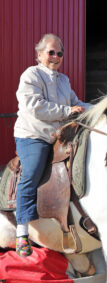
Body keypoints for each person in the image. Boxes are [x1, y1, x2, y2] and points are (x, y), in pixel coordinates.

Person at [14, 33, 91, 257]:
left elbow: (76, 104)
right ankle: (21, 231)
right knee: (33, 170)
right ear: (39, 54)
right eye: (51, 52)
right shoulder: (31, 75)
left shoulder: (63, 80)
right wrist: (68, 112)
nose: (56, 56)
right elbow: (35, 107)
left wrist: (100, 108)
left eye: (60, 53)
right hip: (34, 135)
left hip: (58, 135)